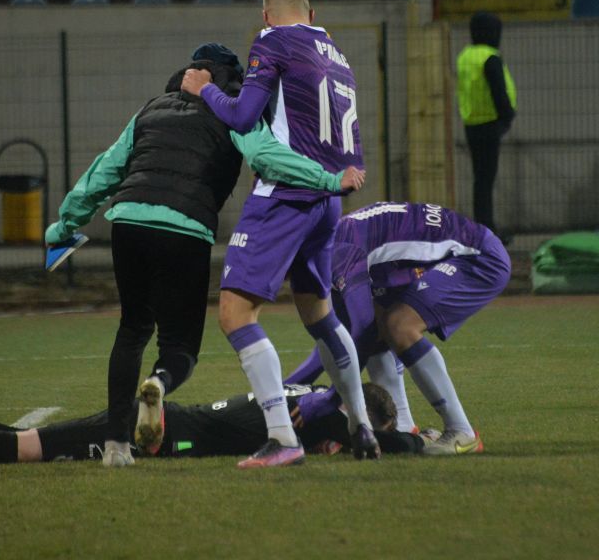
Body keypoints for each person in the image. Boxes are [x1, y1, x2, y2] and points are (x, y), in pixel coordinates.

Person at [45, 43, 365, 469]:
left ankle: (116, 446)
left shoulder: (151, 108)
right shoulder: (235, 109)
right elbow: (266, 157)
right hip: (186, 228)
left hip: (128, 220)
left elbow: (104, 170)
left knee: (132, 329)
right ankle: (159, 381)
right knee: (180, 347)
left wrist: (65, 224)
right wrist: (327, 178)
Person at [180, 0, 378, 468]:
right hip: (328, 201)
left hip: (284, 196)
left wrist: (205, 91)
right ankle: (362, 426)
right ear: (311, 14)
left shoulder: (272, 40)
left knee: (234, 313)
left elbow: (244, 117)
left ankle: (283, 438)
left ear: (267, 16)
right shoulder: (337, 54)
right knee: (320, 315)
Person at [284, 202, 511, 455]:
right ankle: (404, 429)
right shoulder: (331, 242)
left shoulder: (338, 253)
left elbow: (360, 332)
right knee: (382, 325)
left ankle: (462, 431)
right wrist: (289, 387)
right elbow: (339, 336)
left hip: (479, 257)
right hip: (452, 252)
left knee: (399, 326)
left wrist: (329, 399)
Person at [0, 383, 422, 472]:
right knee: (14, 449)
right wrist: (411, 439)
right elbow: (387, 441)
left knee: (14, 439)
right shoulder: (325, 411)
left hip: (188, 420)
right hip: (175, 433)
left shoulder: (302, 393)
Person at [455, 11, 516, 237]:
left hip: (471, 123)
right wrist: (507, 116)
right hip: (490, 124)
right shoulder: (490, 57)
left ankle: (483, 228)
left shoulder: (465, 56)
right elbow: (498, 91)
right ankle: (487, 230)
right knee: (486, 179)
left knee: (479, 180)